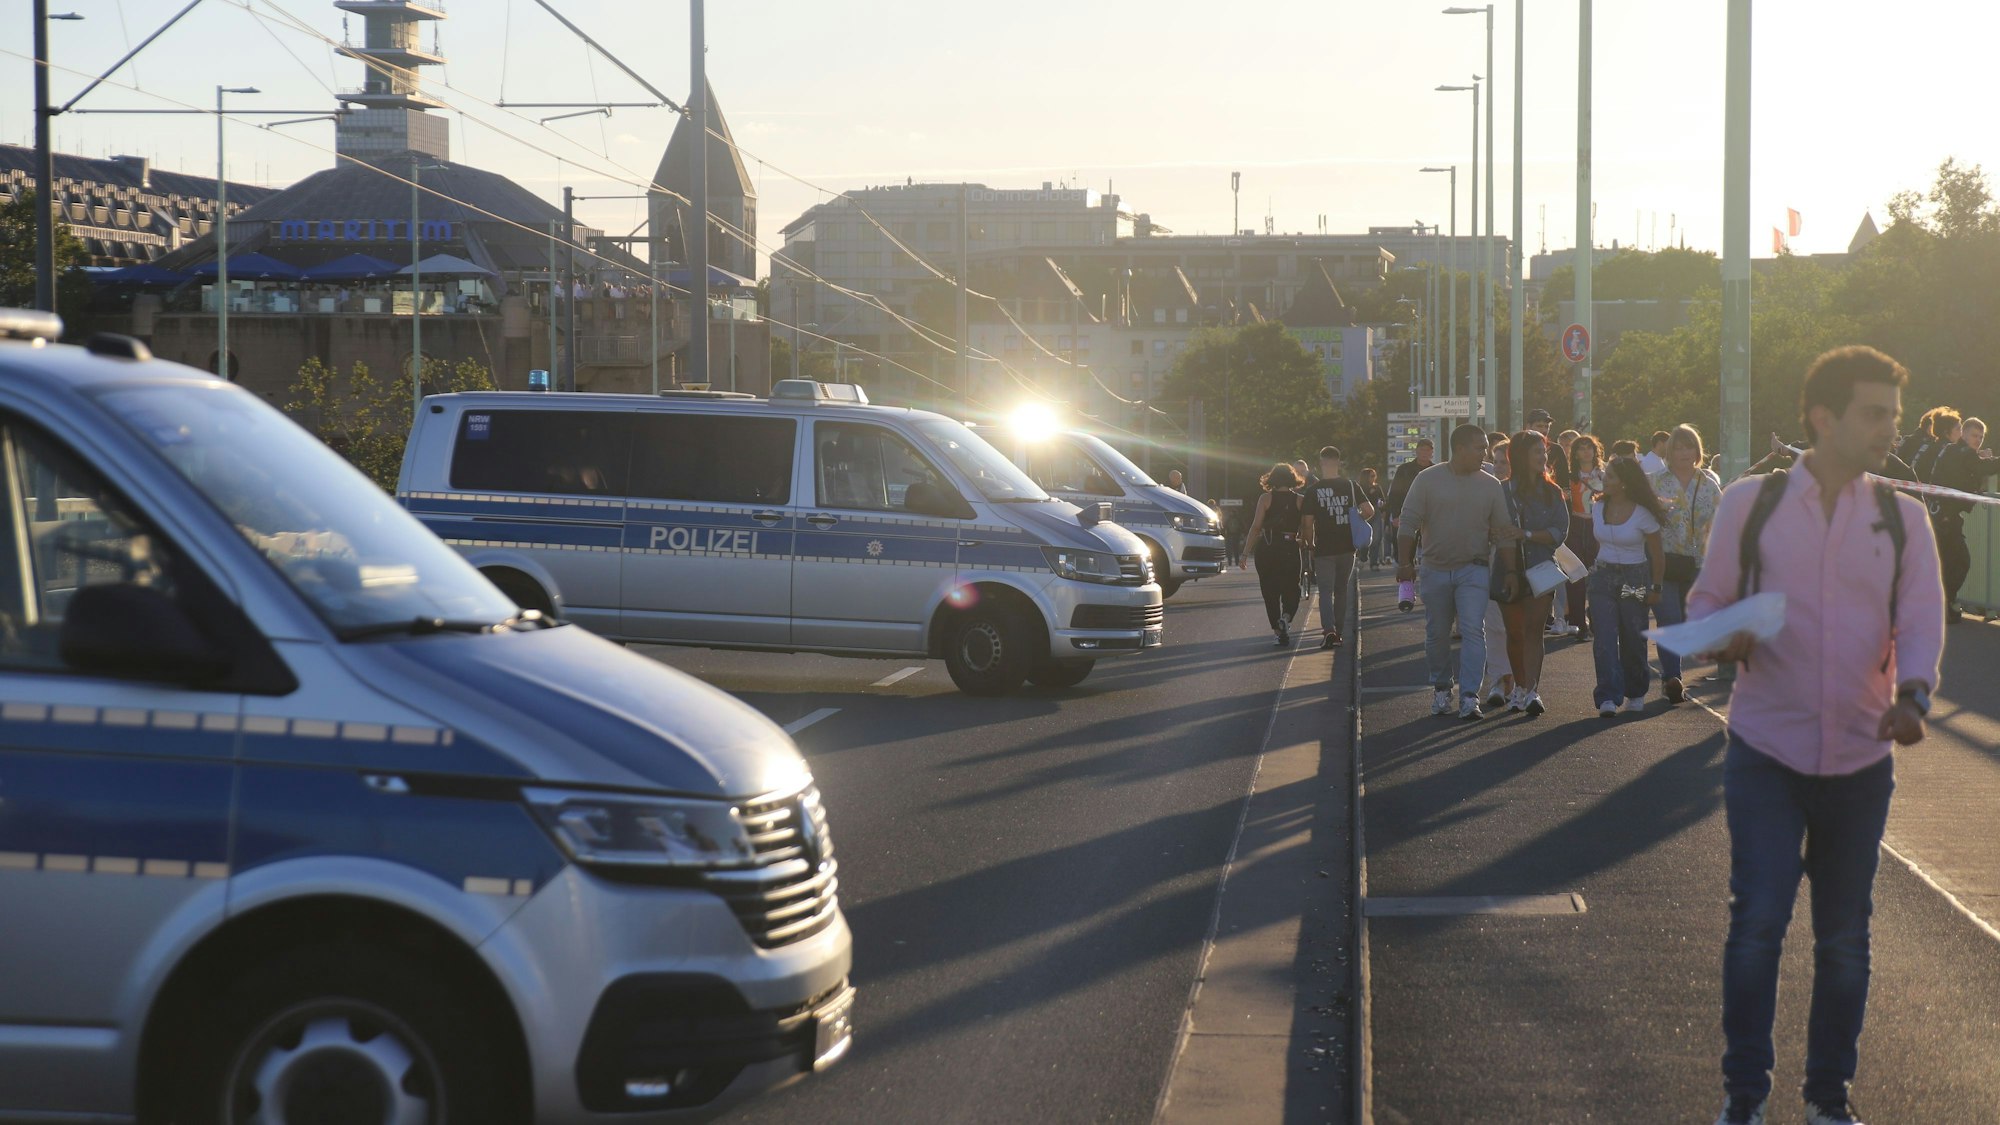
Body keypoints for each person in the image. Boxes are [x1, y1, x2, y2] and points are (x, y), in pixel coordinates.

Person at [1693, 346, 1942, 1125]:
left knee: (1844, 938)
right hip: (1767, 749)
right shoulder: (1750, 504)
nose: (1889, 429)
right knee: (1759, 920)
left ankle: (1828, 1099)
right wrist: (1728, 634)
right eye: (1875, 413)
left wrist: (1914, 695)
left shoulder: (1904, 518)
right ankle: (1745, 1096)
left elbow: (1922, 618)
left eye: (1894, 415)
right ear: (1824, 417)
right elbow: (1707, 604)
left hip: (1863, 759)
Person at [1396, 424, 1521, 721]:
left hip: (1473, 569)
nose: (1485, 454)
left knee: (1473, 631)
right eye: (1480, 448)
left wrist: (1512, 571)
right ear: (1460, 449)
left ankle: (1468, 696)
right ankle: (1441, 687)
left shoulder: (1490, 484)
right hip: (1435, 569)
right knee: (1437, 634)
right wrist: (1404, 564)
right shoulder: (1427, 479)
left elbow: (1503, 532)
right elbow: (1408, 522)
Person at [1496, 430, 1570, 716]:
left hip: (1541, 567)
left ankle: (1532, 691)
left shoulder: (1552, 492)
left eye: (1545, 451)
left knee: (1533, 631)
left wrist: (1525, 533)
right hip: (1507, 568)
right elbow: (1492, 527)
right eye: (1537, 451)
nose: (1543, 457)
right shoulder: (1501, 490)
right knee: (1514, 633)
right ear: (1520, 455)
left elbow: (1558, 533)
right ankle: (1519, 686)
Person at [1649, 424, 1723, 704]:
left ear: (1697, 451)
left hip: (1698, 565)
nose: (1682, 452)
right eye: (1677, 447)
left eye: (1688, 446)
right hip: (1664, 562)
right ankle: (1672, 677)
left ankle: (1672, 672)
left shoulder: (1709, 484)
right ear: (1669, 451)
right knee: (1669, 619)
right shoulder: (1655, 482)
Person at [1589, 456, 1665, 716]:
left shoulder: (1643, 514)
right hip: (1602, 577)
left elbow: (1657, 553)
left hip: (1634, 577)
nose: (1604, 480)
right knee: (1604, 637)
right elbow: (1598, 543)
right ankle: (1608, 695)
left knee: (1633, 635)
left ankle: (1636, 691)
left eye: (1610, 476)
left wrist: (1656, 587)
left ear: (1624, 482)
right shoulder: (1597, 507)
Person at [1301, 446, 1374, 649]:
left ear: (1321, 463)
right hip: (1347, 547)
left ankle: (1329, 630)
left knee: (1325, 591)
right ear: (1338, 463)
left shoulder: (1313, 491)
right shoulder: (1350, 486)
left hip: (1324, 548)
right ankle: (1339, 632)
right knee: (1341, 590)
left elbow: (1307, 524)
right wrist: (1354, 518)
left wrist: (1310, 544)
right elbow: (1369, 510)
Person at [1917, 410, 1979, 623]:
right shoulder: (1947, 451)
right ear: (1947, 432)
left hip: (1929, 511)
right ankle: (1942, 604)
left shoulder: (1929, 447)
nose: (1961, 433)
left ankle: (1937, 606)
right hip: (1940, 514)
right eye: (1958, 429)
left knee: (1940, 561)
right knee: (1959, 561)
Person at [1245, 463, 1307, 645]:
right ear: (1292, 478)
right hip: (1289, 546)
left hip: (1267, 547)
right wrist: (1307, 543)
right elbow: (1306, 527)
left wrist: (1244, 553)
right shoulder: (1300, 500)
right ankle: (1286, 617)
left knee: (1269, 591)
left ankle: (1278, 632)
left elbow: (1256, 527)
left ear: (1272, 479)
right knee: (1292, 587)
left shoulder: (1265, 498)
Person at [1480, 438, 1516, 709]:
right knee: (1493, 624)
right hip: (1492, 561)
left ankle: (1520, 682)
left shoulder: (1530, 490)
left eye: (1506, 462)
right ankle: (1497, 680)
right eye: (1497, 461)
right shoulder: (1486, 487)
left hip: (1525, 564)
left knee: (1520, 628)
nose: (1500, 467)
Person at [1564, 435, 1606, 640]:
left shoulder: (1604, 475)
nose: (1586, 451)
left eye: (1589, 447)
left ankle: (1598, 620)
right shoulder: (1569, 476)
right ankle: (1578, 623)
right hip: (1575, 525)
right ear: (1575, 453)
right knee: (1576, 576)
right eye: (1581, 448)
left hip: (1597, 526)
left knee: (1598, 575)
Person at [1358, 467, 1390, 568]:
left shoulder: (1377, 487)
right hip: (1363, 511)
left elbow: (1382, 499)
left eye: (1374, 475)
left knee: (1377, 538)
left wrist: (1383, 508)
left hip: (1376, 512)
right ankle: (1363, 553)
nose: (1374, 478)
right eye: (1371, 476)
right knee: (1364, 537)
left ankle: (1374, 562)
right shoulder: (1359, 487)